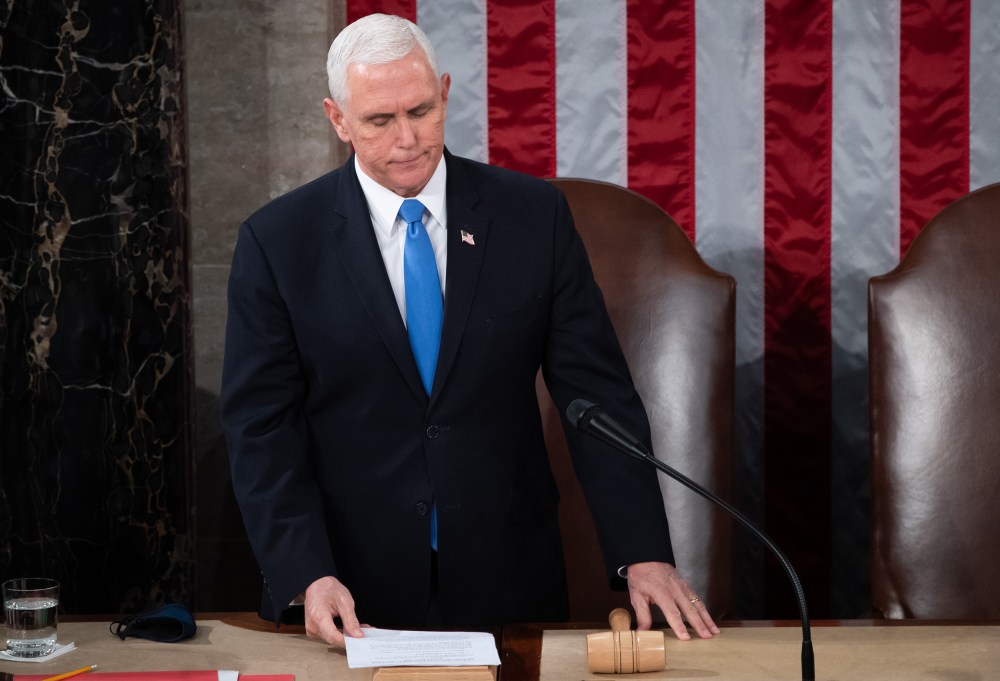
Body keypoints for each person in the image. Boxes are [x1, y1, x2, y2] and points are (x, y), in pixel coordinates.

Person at [221, 13, 719, 648]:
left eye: (422, 110)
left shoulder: (533, 218)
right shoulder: (278, 242)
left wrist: (642, 552)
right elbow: (261, 427)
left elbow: (596, 394)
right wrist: (304, 574)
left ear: (446, 92)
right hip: (346, 589)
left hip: (507, 577)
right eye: (379, 120)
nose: (408, 138)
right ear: (338, 119)